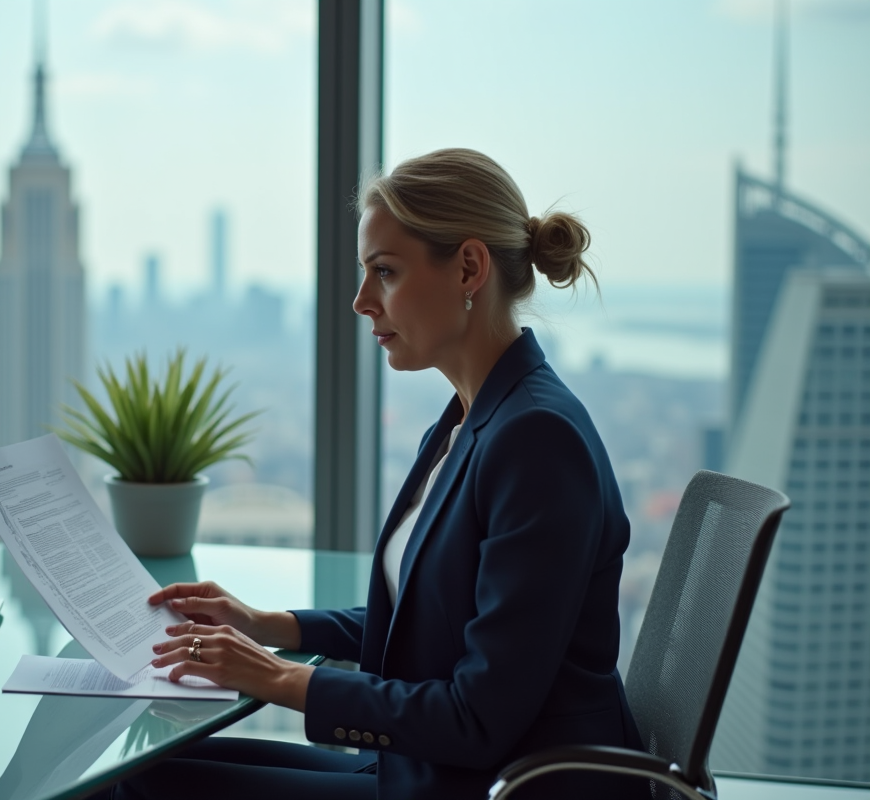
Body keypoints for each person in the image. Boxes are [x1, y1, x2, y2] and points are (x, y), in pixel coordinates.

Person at [92, 148, 644, 799]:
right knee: (141, 774)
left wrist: (275, 676)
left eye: (383, 272)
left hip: (494, 784)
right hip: (434, 767)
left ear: (469, 267)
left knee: (136, 790)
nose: (360, 302)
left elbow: (478, 718)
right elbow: (434, 619)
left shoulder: (536, 441)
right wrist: (268, 625)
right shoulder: (473, 417)